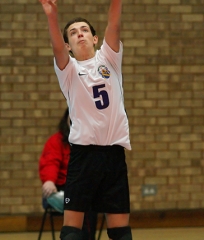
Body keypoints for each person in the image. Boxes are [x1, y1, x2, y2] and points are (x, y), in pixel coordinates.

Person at [39, 0, 132, 240]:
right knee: (72, 231)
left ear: (94, 38)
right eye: (73, 33)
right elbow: (56, 49)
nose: (79, 34)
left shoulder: (109, 59)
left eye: (84, 30)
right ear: (69, 45)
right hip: (84, 156)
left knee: (121, 231)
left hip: (113, 155)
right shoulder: (68, 71)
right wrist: (52, 16)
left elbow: (115, 24)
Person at [39, 108, 98, 240]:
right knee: (80, 204)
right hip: (62, 189)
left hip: (85, 190)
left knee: (89, 203)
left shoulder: (91, 143)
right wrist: (49, 180)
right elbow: (50, 162)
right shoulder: (56, 141)